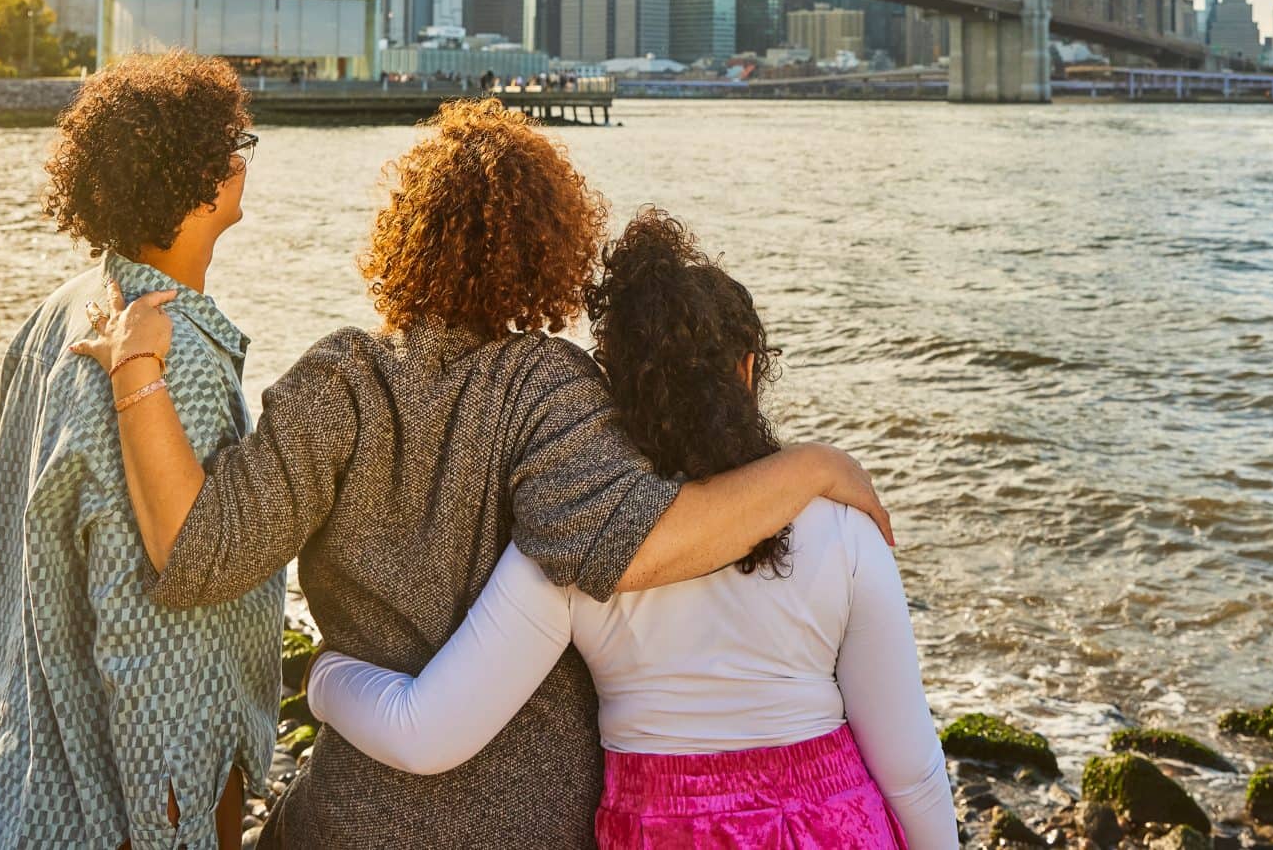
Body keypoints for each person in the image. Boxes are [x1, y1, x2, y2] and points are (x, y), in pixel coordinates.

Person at [73, 99, 893, 850]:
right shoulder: (551, 387)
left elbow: (192, 551)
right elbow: (638, 548)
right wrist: (814, 466)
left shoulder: (340, 379)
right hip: (535, 825)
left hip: (355, 819)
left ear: (406, 233)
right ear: (551, 247)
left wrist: (137, 371)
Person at [302, 209, 957, 849]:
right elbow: (913, 773)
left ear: (616, 388)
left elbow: (427, 734)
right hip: (835, 827)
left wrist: (324, 679)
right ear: (748, 369)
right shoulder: (841, 523)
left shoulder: (577, 550)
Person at [0, 52, 282, 850]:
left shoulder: (59, 312)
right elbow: (146, 614)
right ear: (195, 181)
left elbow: (9, 544)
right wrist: (170, 810)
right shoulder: (174, 355)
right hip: (128, 795)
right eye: (232, 145)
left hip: (28, 761)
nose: (243, 161)